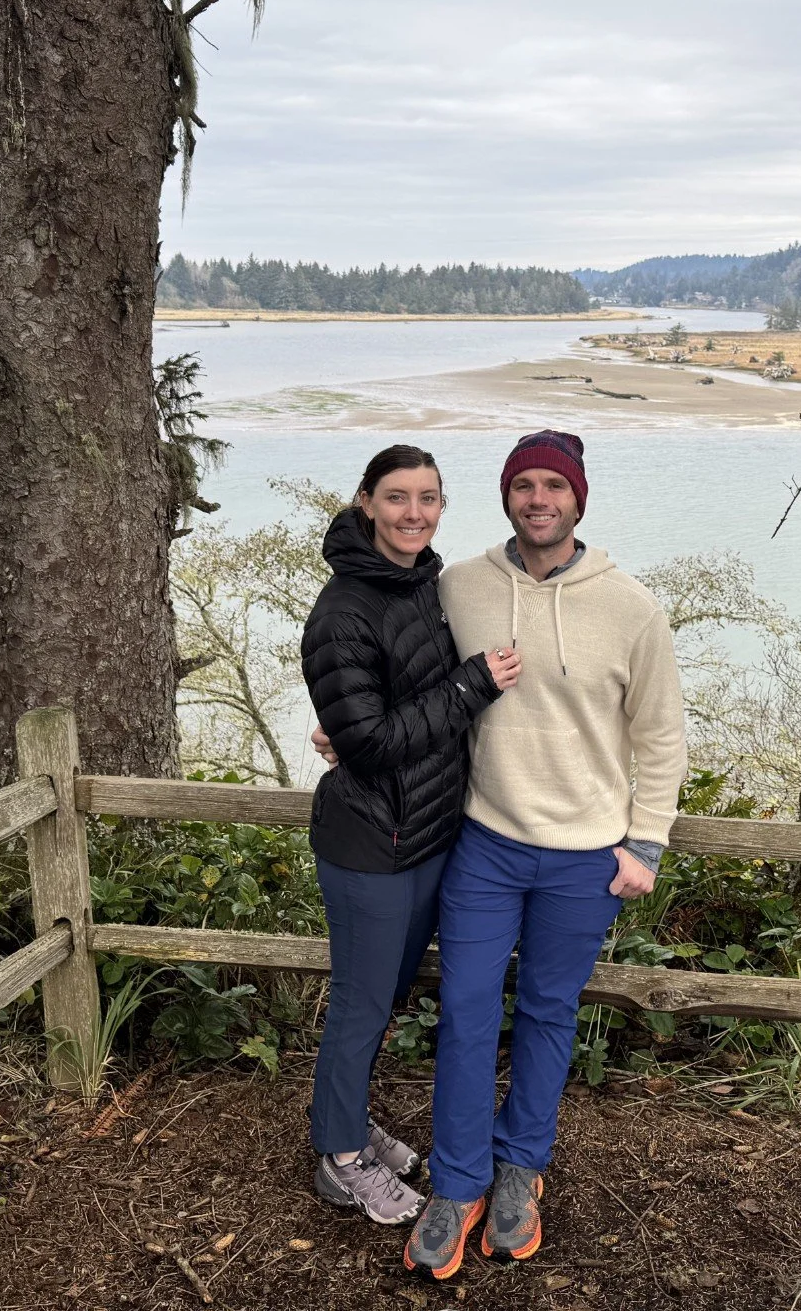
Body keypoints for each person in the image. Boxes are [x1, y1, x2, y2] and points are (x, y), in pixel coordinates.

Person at [401, 429, 687, 1280]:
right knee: (464, 1011)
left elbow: (661, 735)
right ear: (506, 496)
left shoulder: (631, 607)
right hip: (484, 844)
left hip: (585, 858)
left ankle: (520, 1169)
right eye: (524, 485)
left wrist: (645, 844)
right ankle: (456, 1183)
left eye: (553, 487)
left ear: (577, 499)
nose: (538, 500)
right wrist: (349, 729)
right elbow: (408, 675)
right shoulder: (460, 587)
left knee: (548, 1013)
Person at [299, 444, 522, 1226]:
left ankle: (348, 1121)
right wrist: (473, 684)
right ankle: (339, 1159)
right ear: (365, 502)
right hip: (370, 846)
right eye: (397, 497)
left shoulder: (424, 584)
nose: (414, 513)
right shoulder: (343, 612)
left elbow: (387, 708)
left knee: (385, 997)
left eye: (429, 497)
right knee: (361, 1005)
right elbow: (371, 742)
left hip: (423, 837)